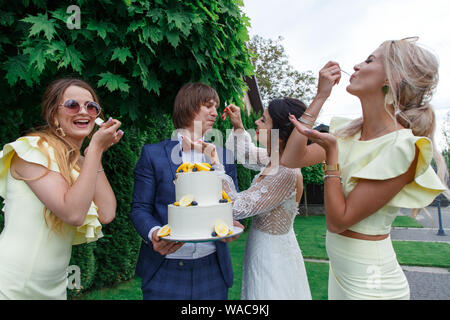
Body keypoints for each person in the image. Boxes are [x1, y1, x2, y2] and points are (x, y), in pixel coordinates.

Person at [281, 37, 448, 300]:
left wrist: (332, 156)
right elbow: (291, 159)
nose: (357, 66)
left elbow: (339, 221)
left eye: (370, 60)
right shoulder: (347, 133)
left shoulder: (403, 147)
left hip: (372, 285)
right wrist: (320, 96)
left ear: (390, 78)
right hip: (340, 276)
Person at [0, 78, 123, 299]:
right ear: (53, 114)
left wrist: (95, 155)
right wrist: (95, 148)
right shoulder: (32, 151)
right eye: (72, 105)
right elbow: (73, 213)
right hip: (11, 284)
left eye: (91, 106)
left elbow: (107, 212)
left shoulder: (82, 162)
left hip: (54, 288)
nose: (83, 111)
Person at [187, 98, 313, 300]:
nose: (257, 122)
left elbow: (236, 208)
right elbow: (247, 154)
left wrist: (215, 162)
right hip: (261, 248)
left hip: (272, 257)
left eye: (263, 120)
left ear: (278, 135)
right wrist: (237, 124)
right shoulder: (275, 159)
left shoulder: (285, 172)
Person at [130, 82, 241, 300]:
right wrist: (155, 234)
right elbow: (140, 208)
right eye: (208, 105)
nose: (215, 112)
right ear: (189, 106)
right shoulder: (152, 154)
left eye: (216, 107)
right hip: (165, 269)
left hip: (213, 269)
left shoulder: (223, 155)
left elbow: (232, 202)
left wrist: (230, 222)